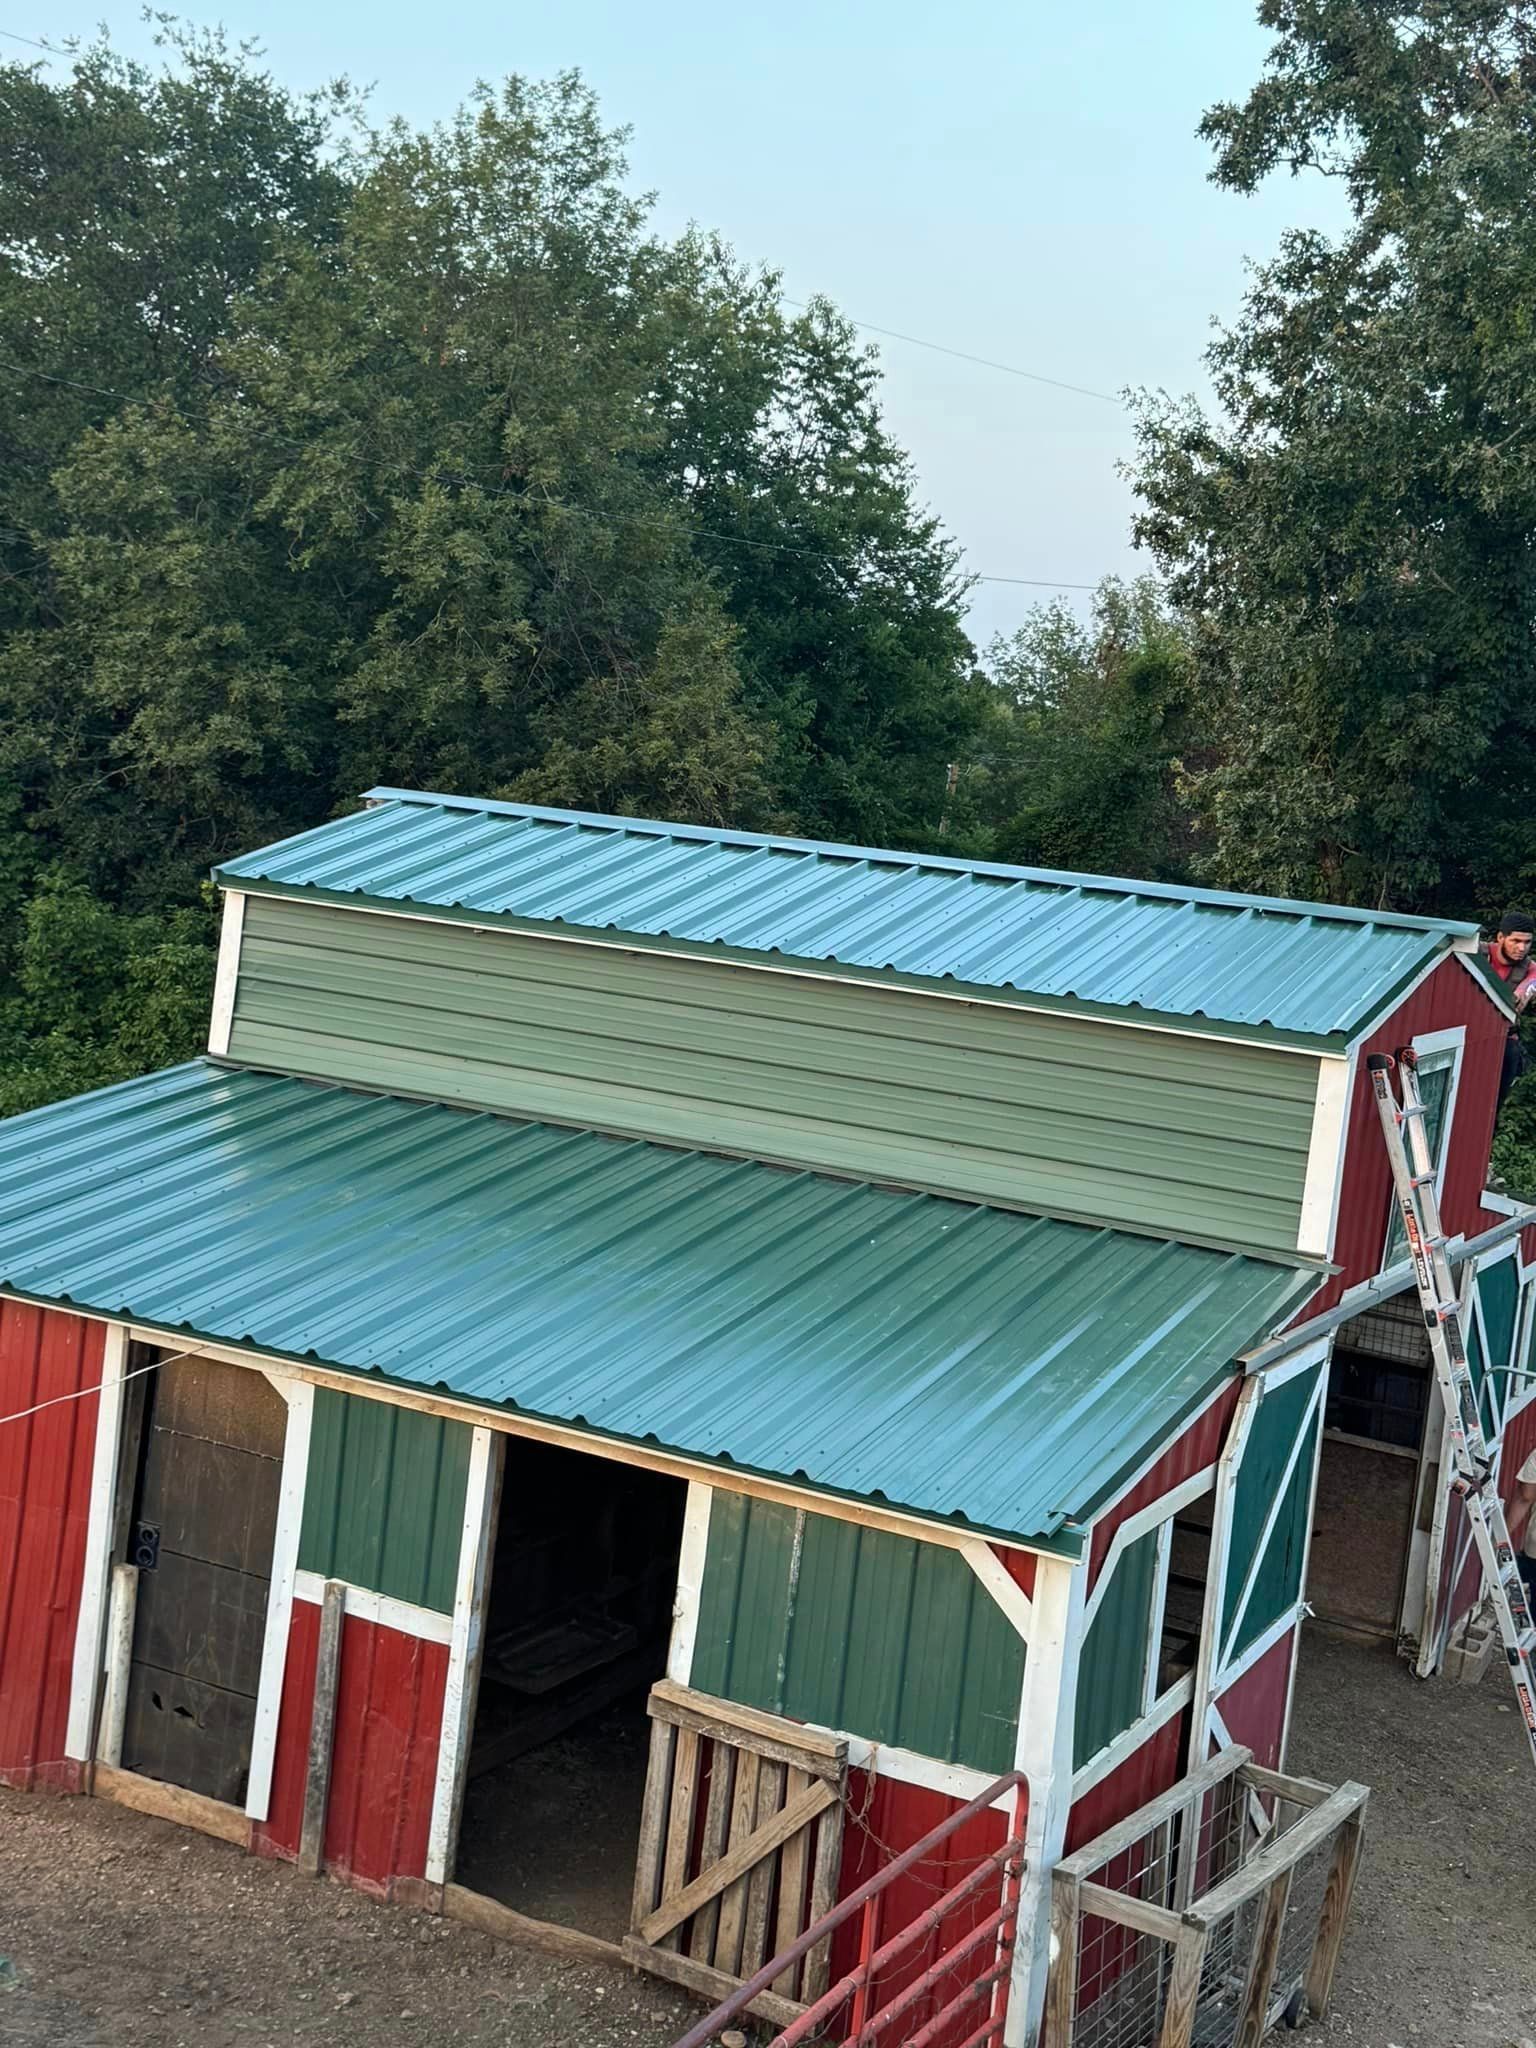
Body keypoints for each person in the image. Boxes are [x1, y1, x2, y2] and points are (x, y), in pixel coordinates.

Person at [1485, 912, 1536, 1107]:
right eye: (1515, 940)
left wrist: (1522, 994)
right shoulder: (1477, 952)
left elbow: (1530, 985)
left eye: (1527, 942)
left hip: (1504, 1040)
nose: (1521, 948)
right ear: (1500, 938)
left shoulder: (1530, 968)